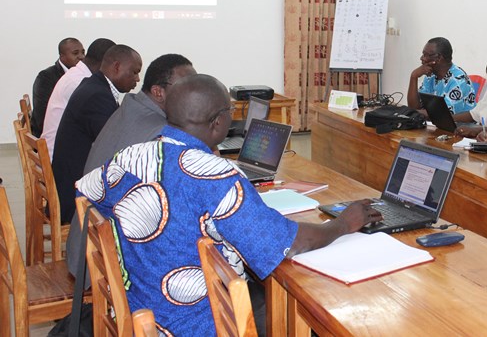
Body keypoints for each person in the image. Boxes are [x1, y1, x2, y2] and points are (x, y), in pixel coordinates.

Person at [75, 74, 380, 335]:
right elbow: (287, 244)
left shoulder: (131, 154)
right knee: (294, 313)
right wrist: (344, 223)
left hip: (137, 303)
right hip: (191, 323)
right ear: (219, 121)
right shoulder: (216, 175)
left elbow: (86, 192)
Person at [53, 44, 142, 223]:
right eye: (134, 72)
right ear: (117, 67)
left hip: (72, 180)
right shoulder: (97, 96)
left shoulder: (95, 86)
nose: (137, 79)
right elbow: (117, 147)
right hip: (74, 196)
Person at [84, 53, 196, 172]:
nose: (196, 95)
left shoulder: (131, 108)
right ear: (158, 92)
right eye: (186, 88)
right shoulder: (161, 134)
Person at [42, 38, 116, 159]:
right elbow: (105, 130)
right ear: (105, 62)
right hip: (58, 156)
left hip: (58, 148)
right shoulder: (81, 82)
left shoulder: (77, 74)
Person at [30, 37, 85, 136]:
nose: (81, 57)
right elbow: (42, 117)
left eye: (83, 52)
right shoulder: (46, 78)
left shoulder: (84, 75)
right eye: (75, 53)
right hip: (52, 135)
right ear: (62, 56)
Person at [407, 37, 475, 115]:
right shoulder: (430, 76)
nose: (422, 58)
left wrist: (408, 111)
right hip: (435, 121)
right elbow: (415, 106)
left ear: (439, 58)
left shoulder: (459, 80)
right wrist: (414, 76)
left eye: (426, 55)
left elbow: (441, 114)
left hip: (458, 122)